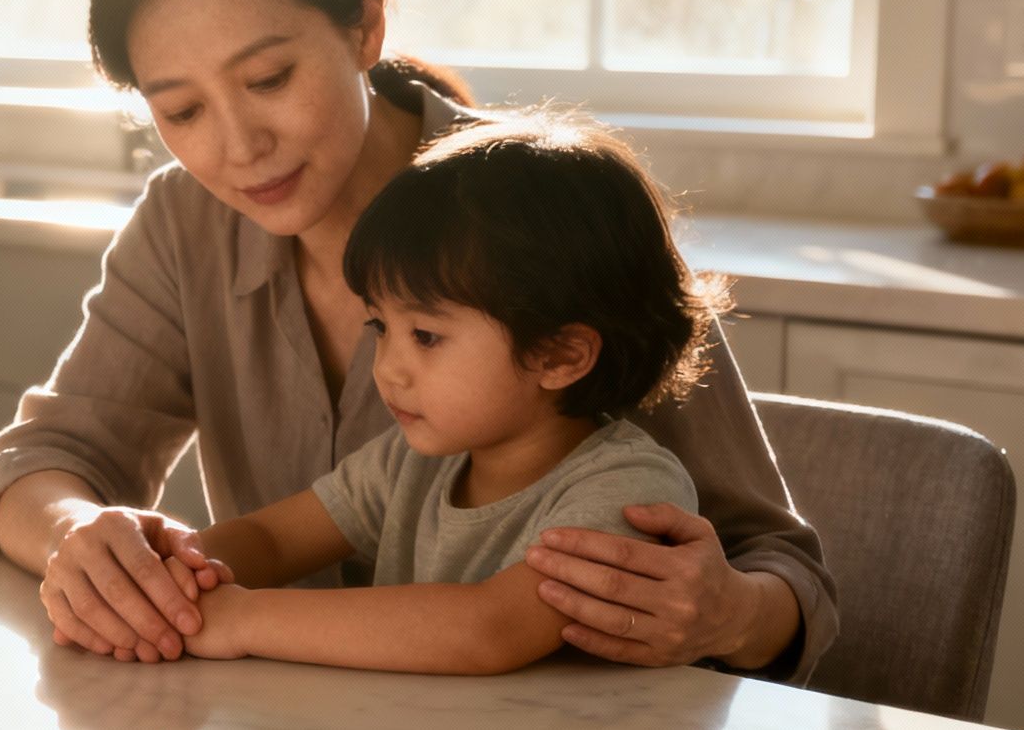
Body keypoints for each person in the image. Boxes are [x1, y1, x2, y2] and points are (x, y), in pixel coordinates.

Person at [0, 0, 837, 678]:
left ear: (365, 26)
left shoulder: (548, 216)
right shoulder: (187, 221)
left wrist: (732, 614)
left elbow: (780, 570)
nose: (237, 147)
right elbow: (43, 461)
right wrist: (85, 540)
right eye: (182, 110)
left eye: (267, 78)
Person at [154, 115, 710, 672]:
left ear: (560, 356)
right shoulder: (411, 464)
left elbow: (487, 629)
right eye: (379, 328)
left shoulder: (628, 491)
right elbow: (271, 539)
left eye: (425, 336)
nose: (389, 370)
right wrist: (177, 577)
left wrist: (240, 618)